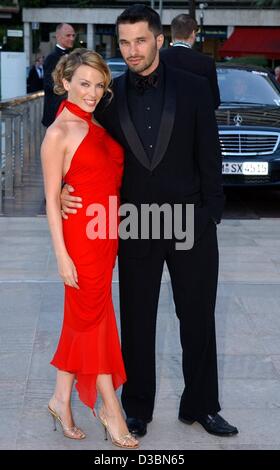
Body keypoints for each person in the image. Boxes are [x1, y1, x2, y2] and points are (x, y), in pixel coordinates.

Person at [61, 5, 238, 438]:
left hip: (190, 221)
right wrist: (65, 186)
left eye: (140, 40)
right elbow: (74, 139)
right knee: (137, 320)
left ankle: (200, 404)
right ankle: (137, 406)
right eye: (124, 42)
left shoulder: (194, 88)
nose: (132, 50)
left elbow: (210, 154)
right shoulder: (108, 96)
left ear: (159, 39)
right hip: (134, 222)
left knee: (197, 316)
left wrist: (211, 214)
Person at [41, 48, 138, 449]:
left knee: (83, 319)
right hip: (81, 240)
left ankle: (60, 400)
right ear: (64, 82)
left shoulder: (95, 122)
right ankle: (109, 407)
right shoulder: (58, 133)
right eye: (84, 83)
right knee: (95, 319)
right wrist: (62, 256)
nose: (92, 92)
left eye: (99, 85)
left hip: (105, 236)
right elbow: (50, 200)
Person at [160, 14, 220, 109]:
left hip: (163, 120)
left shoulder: (158, 59)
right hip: (195, 121)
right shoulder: (206, 62)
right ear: (192, 34)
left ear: (172, 34)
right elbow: (214, 101)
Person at [42, 23, 76, 127]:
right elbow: (49, 84)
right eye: (68, 35)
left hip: (69, 113)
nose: (72, 38)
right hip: (56, 114)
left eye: (73, 35)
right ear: (58, 36)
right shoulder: (51, 58)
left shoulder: (73, 56)